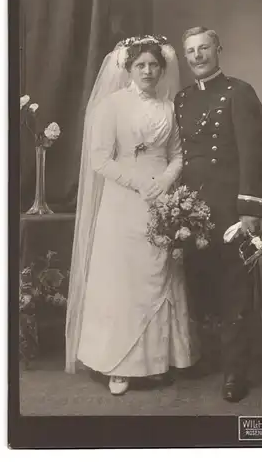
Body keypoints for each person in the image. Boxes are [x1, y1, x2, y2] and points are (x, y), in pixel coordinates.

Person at [65, 35, 199, 395]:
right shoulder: (111, 106)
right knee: (123, 278)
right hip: (124, 201)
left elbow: (177, 154)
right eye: (141, 64)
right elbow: (100, 159)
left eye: (154, 64)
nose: (148, 70)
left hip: (162, 198)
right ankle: (119, 365)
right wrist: (140, 183)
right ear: (128, 68)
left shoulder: (170, 108)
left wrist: (166, 180)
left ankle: (157, 361)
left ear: (162, 68)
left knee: (161, 272)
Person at [174, 26, 262, 402]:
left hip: (230, 208)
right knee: (202, 285)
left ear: (218, 49)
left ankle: (235, 371)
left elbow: (255, 154)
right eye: (191, 51)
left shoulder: (239, 92)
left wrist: (250, 210)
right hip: (193, 210)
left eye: (204, 48)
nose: (198, 56)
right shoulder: (181, 100)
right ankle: (211, 358)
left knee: (234, 289)